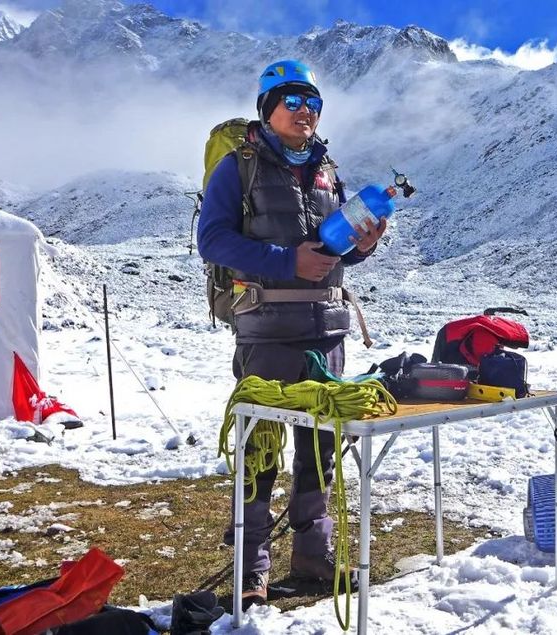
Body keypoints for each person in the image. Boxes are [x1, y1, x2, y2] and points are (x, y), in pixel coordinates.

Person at [197, 59, 386, 607]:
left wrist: (364, 247)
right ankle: (252, 569)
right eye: (292, 101)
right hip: (266, 330)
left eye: (313, 102)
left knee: (321, 450)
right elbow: (213, 241)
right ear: (267, 109)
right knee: (260, 450)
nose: (305, 111)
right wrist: (284, 261)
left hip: (328, 331)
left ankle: (312, 558)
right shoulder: (239, 167)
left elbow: (335, 255)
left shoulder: (329, 171)